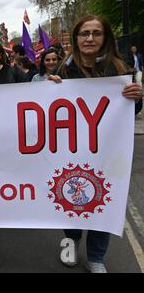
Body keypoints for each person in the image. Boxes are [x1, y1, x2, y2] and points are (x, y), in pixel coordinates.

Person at [48, 15, 143, 273]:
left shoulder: (120, 69)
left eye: (96, 33)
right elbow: (48, 108)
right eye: (84, 33)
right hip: (72, 149)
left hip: (108, 151)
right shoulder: (63, 70)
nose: (90, 38)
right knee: (69, 197)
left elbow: (130, 110)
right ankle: (71, 241)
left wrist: (137, 97)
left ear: (105, 38)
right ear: (77, 39)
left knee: (105, 200)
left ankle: (96, 256)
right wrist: (48, 89)